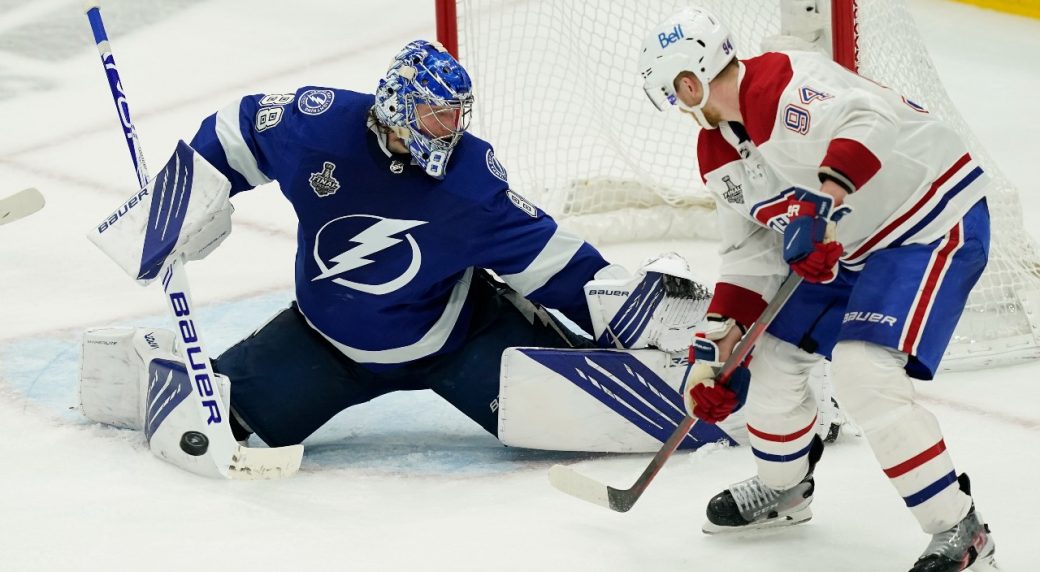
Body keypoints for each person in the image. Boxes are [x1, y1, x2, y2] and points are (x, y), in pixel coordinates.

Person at [81, 40, 714, 461]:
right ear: (398, 105)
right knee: (201, 424)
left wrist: (629, 308)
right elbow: (238, 129)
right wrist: (180, 201)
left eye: (459, 115)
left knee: (611, 420)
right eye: (439, 116)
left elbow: (551, 260)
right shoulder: (318, 126)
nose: (454, 129)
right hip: (326, 342)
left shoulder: (469, 181)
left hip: (462, 341)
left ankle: (710, 391)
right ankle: (138, 363)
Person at [638, 7, 997, 571]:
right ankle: (784, 490)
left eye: (675, 95)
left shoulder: (783, 84)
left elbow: (869, 120)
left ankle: (961, 527)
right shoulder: (716, 151)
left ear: (690, 83)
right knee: (774, 358)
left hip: (926, 221)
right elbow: (748, 253)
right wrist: (718, 346)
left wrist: (824, 201)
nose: (681, 109)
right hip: (845, 246)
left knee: (862, 372)